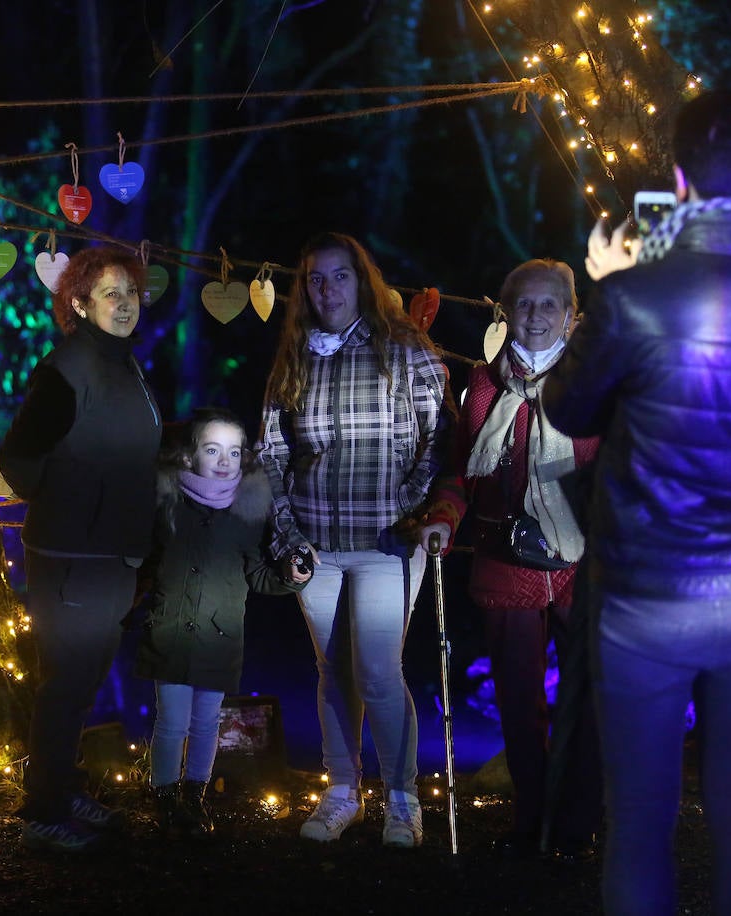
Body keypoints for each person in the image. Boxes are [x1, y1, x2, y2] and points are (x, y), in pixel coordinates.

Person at [542, 90, 731, 915]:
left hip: (647, 603)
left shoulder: (637, 297)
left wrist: (610, 291)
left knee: (640, 823)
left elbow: (568, 412)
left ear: (678, 181)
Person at [255, 231, 451, 848]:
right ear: (303, 288)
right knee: (330, 672)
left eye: (340, 276)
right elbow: (271, 453)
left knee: (376, 671)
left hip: (386, 543)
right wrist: (288, 538)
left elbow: (439, 438)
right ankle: (342, 792)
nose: (327, 289)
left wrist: (412, 508)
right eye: (316, 278)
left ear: (361, 282)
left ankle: (401, 799)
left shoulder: (403, 349)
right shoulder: (294, 357)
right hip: (316, 544)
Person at [416, 259, 603, 862]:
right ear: (506, 312)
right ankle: (532, 818)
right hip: (507, 559)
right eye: (525, 304)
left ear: (571, 318)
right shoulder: (483, 386)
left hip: (583, 562)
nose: (537, 315)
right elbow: (459, 471)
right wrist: (444, 517)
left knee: (586, 699)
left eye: (551, 305)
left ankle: (578, 821)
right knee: (519, 704)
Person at [0, 246, 162, 853]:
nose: (124, 304)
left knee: (84, 682)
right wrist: (75, 500)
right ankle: (40, 810)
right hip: (71, 559)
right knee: (65, 684)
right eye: (110, 293)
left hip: (116, 557)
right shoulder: (67, 367)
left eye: (132, 294)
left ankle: (62, 789)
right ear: (80, 303)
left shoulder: (126, 365)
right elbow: (18, 460)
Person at [132, 407, 306, 836]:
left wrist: (289, 576)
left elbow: (258, 574)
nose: (224, 459)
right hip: (170, 631)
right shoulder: (166, 504)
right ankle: (166, 798)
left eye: (233, 451)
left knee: (207, 720)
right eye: (213, 450)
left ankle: (196, 796)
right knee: (171, 720)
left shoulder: (246, 515)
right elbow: (144, 562)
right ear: (191, 457)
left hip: (219, 635)